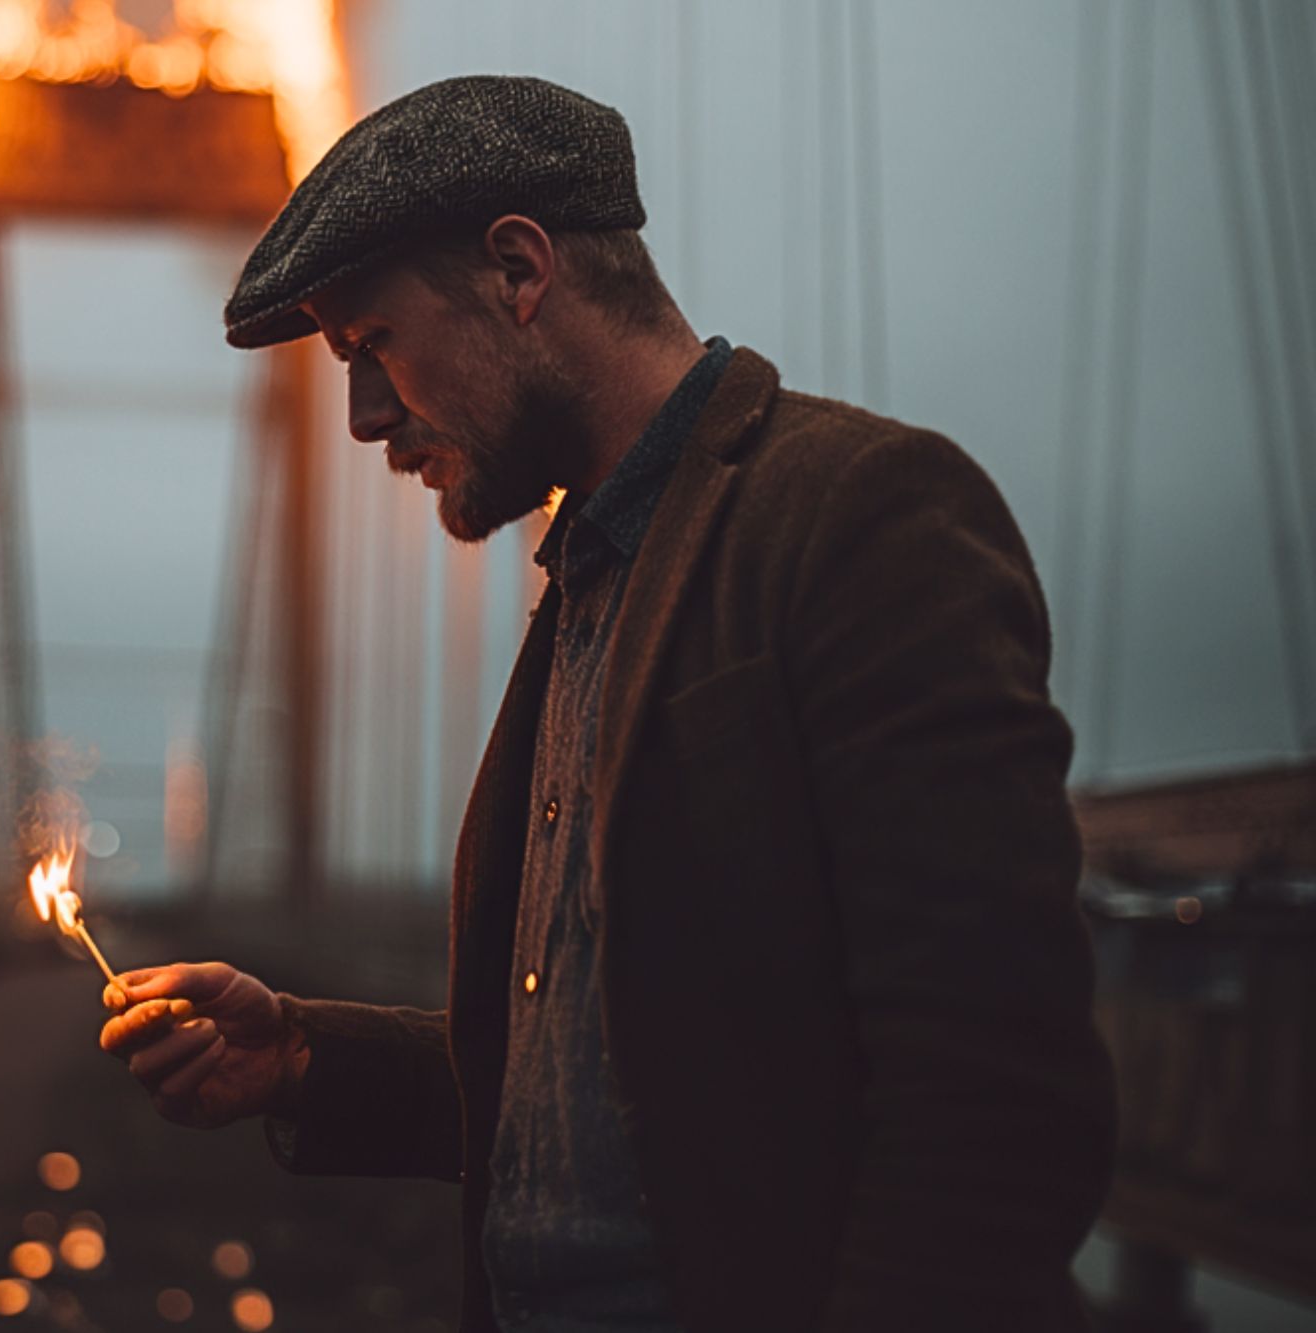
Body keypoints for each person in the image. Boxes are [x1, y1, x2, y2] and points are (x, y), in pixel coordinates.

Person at [97, 75, 1116, 1333]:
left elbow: (992, 1096)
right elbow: (610, 1083)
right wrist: (303, 1055)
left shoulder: (861, 515)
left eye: (369, 347)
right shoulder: (584, 582)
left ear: (518, 273)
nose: (359, 419)